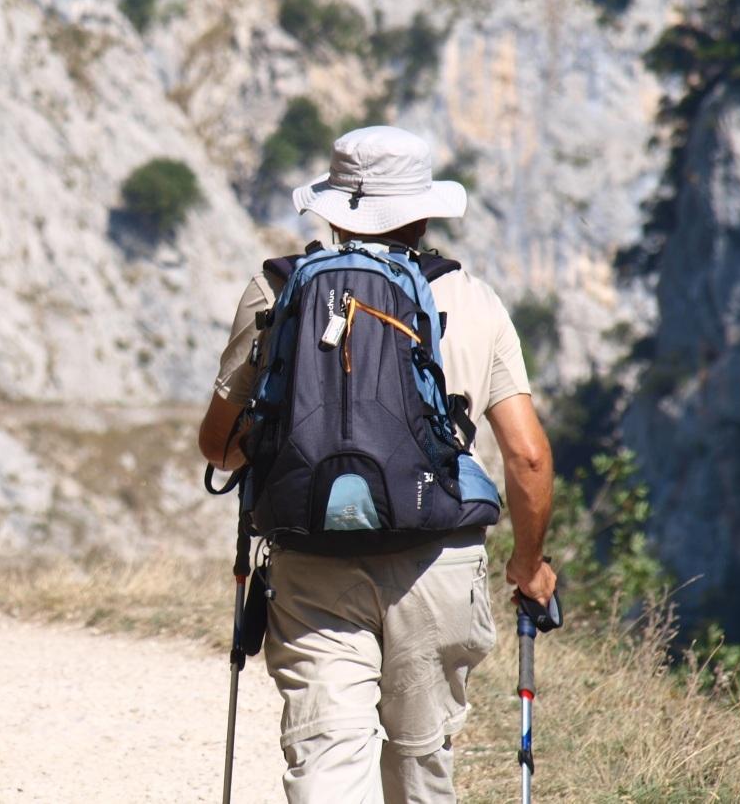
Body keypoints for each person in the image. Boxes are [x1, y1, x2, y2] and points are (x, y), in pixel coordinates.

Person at [199, 125, 557, 803]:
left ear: (332, 210)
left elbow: (218, 444)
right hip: (437, 561)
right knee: (420, 766)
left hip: (313, 559)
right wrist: (528, 565)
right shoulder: (473, 300)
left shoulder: (276, 292)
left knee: (328, 760)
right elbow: (529, 456)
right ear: (422, 214)